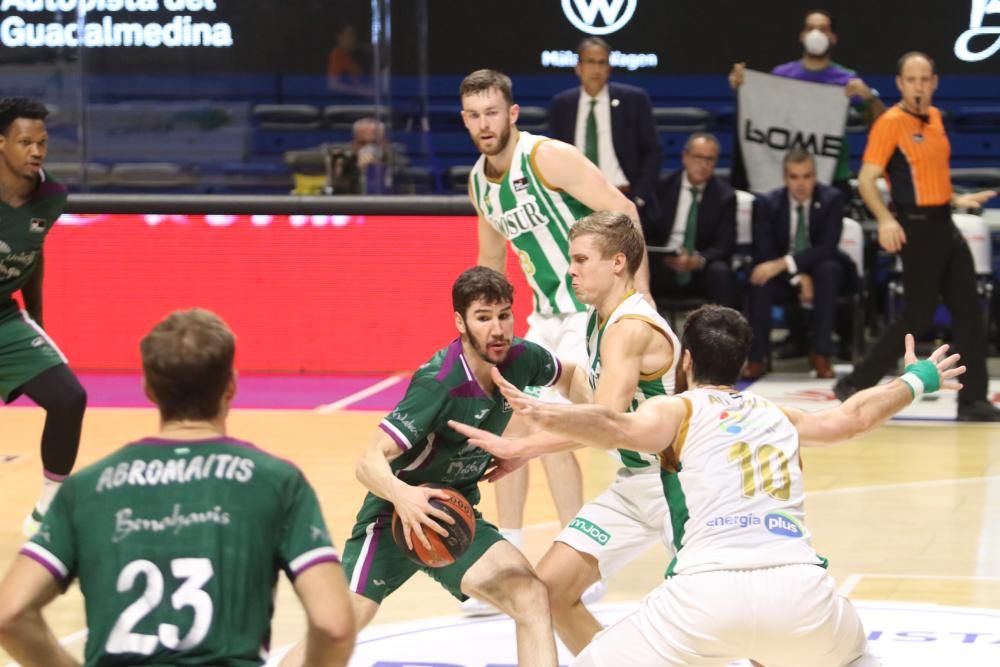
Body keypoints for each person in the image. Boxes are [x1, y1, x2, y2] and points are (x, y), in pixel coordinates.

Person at [463, 304, 964, 666]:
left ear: (685, 362)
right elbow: (853, 417)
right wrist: (918, 378)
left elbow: (612, 425)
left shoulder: (675, 409)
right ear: (744, 366)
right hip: (800, 594)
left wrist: (542, 415)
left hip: (705, 595)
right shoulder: (778, 413)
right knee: (849, 657)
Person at [0, 308, 356, 666]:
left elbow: (9, 614)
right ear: (230, 385)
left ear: (148, 390)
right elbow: (335, 626)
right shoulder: (277, 481)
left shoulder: (86, 487)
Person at [281, 267, 590, 667]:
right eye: (483, 317)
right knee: (338, 630)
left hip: (453, 515)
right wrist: (404, 498)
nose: (497, 329)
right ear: (461, 322)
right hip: (396, 516)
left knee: (530, 594)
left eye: (504, 314)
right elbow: (368, 461)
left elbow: (572, 375)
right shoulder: (438, 384)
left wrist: (601, 412)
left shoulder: (522, 358)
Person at [462, 68, 649, 609]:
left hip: (589, 309)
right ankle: (511, 558)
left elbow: (626, 214)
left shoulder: (548, 158)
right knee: (513, 418)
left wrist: (637, 298)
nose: (484, 124)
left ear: (512, 114)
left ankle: (581, 563)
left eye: (492, 112)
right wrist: (485, 331)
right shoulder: (479, 181)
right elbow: (491, 262)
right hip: (544, 315)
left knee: (557, 422)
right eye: (474, 116)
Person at [452, 211, 678, 654]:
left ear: (616, 262)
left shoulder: (630, 326)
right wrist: (535, 363)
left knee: (726, 610)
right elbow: (587, 389)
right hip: (635, 484)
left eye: (580, 260)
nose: (569, 270)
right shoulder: (600, 319)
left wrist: (525, 445)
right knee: (547, 593)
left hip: (679, 484)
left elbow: (606, 425)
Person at [833, 52, 1000, 421]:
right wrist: (886, 220)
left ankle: (972, 400)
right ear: (900, 83)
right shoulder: (889, 123)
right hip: (918, 229)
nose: (919, 86)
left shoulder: (937, 118)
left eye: (925, 79)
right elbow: (866, 180)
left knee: (970, 313)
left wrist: (956, 198)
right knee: (917, 316)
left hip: (944, 222)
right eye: (912, 80)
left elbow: (929, 175)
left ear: (935, 82)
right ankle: (856, 383)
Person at [0, 97, 87, 537]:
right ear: (1, 144)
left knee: (69, 397)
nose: (36, 151)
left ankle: (47, 514)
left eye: (43, 142)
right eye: (25, 142)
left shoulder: (51, 196)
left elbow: (34, 255)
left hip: (3, 320)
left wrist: (36, 317)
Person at [729, 9, 885, 191]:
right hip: (789, 173)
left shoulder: (846, 79)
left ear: (833, 37)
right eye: (810, 28)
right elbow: (761, 117)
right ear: (802, 36)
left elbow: (880, 125)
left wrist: (870, 98)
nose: (816, 34)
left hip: (834, 174)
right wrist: (741, 89)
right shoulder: (781, 75)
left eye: (823, 29)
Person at [745, 147, 856, 380]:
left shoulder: (831, 199)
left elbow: (827, 247)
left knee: (828, 269)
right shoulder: (767, 203)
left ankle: (821, 353)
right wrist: (797, 276)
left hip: (822, 271)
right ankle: (757, 357)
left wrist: (787, 264)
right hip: (784, 278)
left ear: (815, 176)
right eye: (794, 177)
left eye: (807, 176)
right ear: (785, 178)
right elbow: (764, 251)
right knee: (760, 278)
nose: (801, 184)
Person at [549, 37, 662, 227]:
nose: (596, 69)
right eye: (590, 62)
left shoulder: (633, 100)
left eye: (602, 63)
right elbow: (554, 156)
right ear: (578, 67)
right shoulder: (563, 104)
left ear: (609, 68)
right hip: (576, 201)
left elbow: (653, 151)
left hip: (622, 196)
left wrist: (640, 196)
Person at [645, 133, 740, 310]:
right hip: (664, 264)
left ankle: (722, 334)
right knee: (637, 267)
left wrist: (699, 260)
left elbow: (725, 244)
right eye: (698, 157)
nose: (703, 164)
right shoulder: (662, 187)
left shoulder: (725, 197)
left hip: (700, 269)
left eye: (710, 159)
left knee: (721, 273)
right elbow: (646, 230)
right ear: (685, 157)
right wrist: (661, 254)